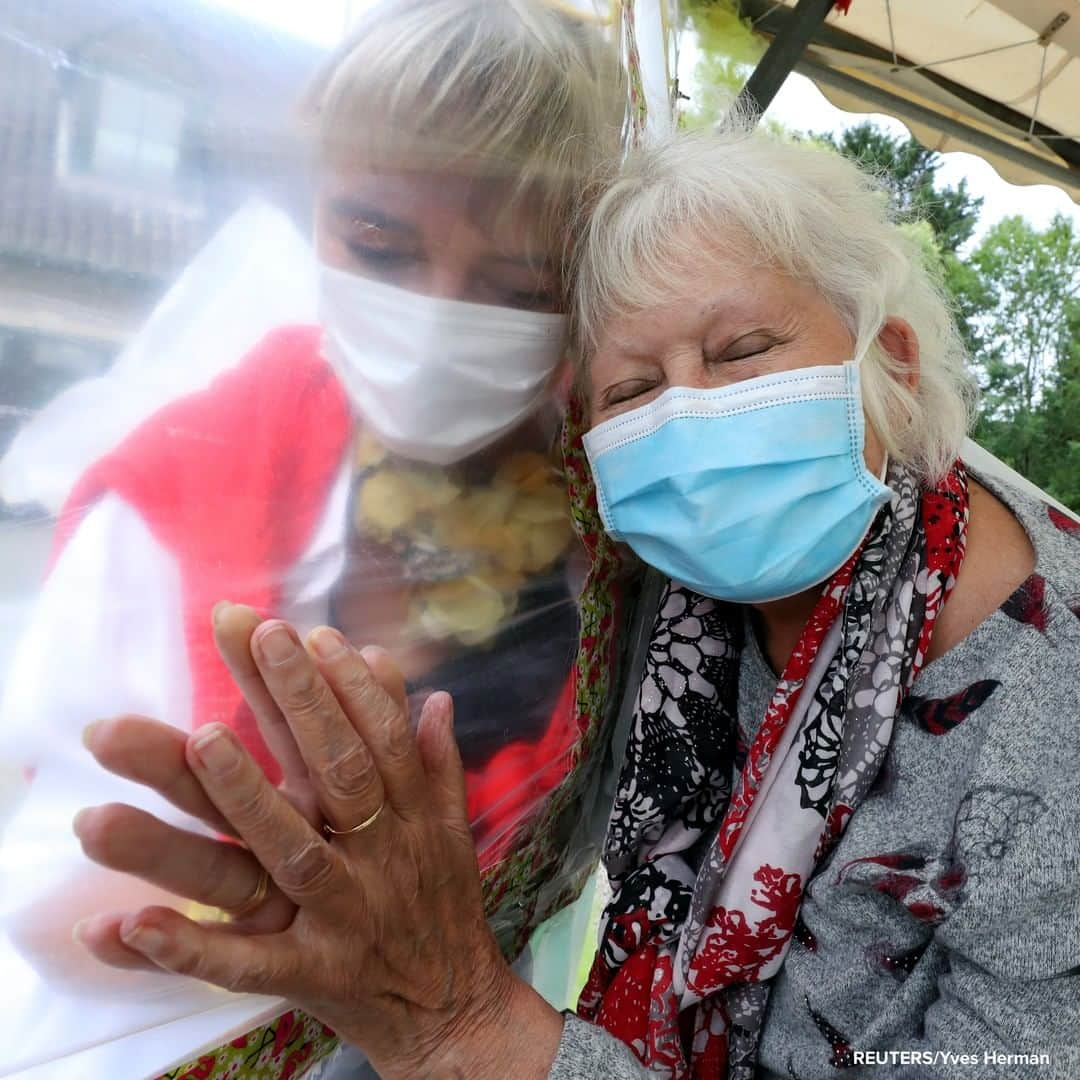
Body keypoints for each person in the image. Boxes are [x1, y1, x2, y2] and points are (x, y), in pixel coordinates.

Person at [75, 123, 1080, 1078]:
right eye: (631, 392)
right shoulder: (650, 596)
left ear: (889, 366)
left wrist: (459, 1024)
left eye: (740, 353)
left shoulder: (1053, 710)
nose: (690, 416)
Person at [0, 1, 627, 1075]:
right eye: (379, 243)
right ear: (314, 211)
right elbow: (44, 871)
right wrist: (290, 925)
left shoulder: (617, 519)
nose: (435, 317)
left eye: (519, 287)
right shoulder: (185, 485)